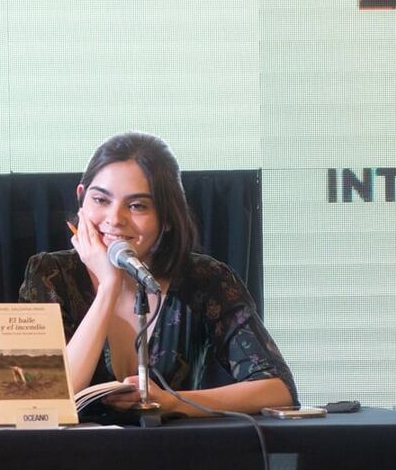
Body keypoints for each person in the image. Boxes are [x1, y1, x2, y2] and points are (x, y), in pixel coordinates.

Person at [18, 131, 297, 416]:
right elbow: (41, 400)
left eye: (137, 206)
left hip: (172, 444)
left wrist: (174, 402)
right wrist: (109, 286)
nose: (115, 219)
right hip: (73, 446)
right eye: (101, 200)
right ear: (81, 198)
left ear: (167, 218)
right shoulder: (49, 274)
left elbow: (279, 390)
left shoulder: (206, 278)